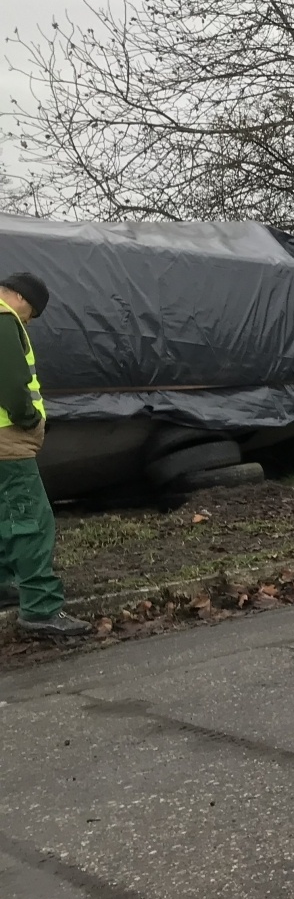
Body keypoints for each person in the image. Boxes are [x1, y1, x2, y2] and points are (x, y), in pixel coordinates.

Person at [0, 272, 90, 638]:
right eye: (32, 313)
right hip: (8, 442)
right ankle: (40, 609)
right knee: (32, 522)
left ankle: (4, 586)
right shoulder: (3, 319)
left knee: (5, 516)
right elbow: (11, 383)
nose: (29, 321)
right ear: (21, 297)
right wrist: (30, 419)